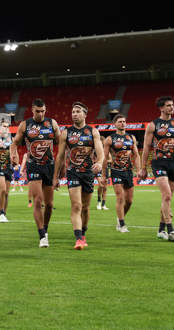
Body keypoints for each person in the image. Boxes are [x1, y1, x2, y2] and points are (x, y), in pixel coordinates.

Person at [11, 98, 61, 248]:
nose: (40, 114)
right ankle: (42, 235)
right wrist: (13, 156)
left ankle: (45, 229)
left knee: (50, 204)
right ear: (32, 110)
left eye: (42, 111)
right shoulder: (25, 125)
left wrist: (62, 164)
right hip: (33, 166)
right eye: (37, 111)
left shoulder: (52, 123)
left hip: (49, 166)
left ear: (45, 110)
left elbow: (62, 144)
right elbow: (14, 143)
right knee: (38, 201)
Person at [138, 95, 174, 242]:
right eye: (168, 105)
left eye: (172, 105)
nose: (172, 107)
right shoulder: (153, 125)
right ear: (161, 108)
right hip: (158, 162)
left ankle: (161, 229)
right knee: (166, 196)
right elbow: (146, 147)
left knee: (168, 199)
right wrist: (143, 167)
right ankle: (171, 231)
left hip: (173, 162)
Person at [53, 102, 103, 250]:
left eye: (77, 111)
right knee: (76, 206)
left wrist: (99, 163)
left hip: (88, 173)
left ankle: (83, 233)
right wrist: (56, 177)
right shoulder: (66, 133)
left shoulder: (93, 132)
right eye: (73, 112)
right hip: (73, 172)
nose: (74, 114)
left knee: (86, 208)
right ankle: (78, 238)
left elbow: (100, 152)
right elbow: (60, 157)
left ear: (85, 114)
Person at [103, 114, 141, 233]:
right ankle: (122, 224)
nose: (122, 123)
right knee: (120, 198)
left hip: (128, 171)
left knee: (129, 201)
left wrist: (139, 170)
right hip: (116, 171)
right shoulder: (110, 139)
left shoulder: (131, 138)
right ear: (115, 124)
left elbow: (136, 155)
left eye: (124, 121)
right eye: (120, 121)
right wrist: (104, 175)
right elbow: (104, 158)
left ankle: (120, 218)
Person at [96, 136, 111, 211]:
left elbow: (110, 159)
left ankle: (103, 204)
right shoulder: (96, 150)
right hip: (99, 169)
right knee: (101, 185)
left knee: (105, 187)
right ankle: (99, 201)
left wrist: (104, 162)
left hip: (105, 169)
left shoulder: (106, 150)